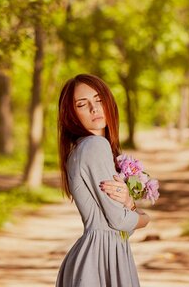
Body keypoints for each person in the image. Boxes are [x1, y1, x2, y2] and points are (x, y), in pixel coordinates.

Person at [56, 74, 151, 287]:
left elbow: (119, 225)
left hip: (98, 256)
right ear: (71, 115)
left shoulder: (79, 149)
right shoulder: (95, 146)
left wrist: (128, 203)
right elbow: (119, 222)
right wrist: (143, 217)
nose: (94, 108)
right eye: (83, 104)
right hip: (100, 260)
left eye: (99, 100)